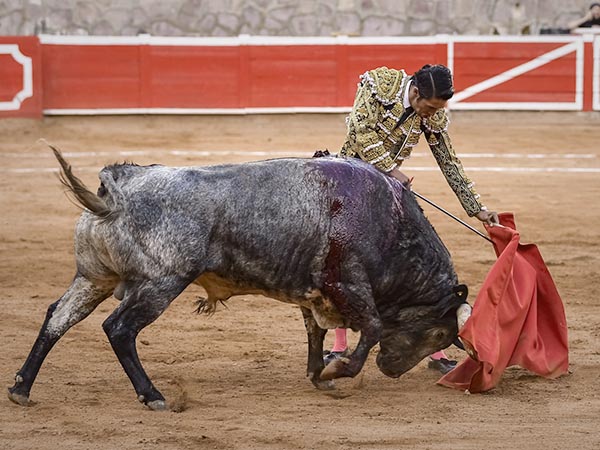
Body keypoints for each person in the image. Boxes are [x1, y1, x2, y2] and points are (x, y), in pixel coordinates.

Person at [325, 64, 499, 374]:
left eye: (437, 110)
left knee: (414, 266)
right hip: (348, 182)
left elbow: (448, 160)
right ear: (416, 93)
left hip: (388, 192)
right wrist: (392, 170)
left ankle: (435, 349)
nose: (431, 115)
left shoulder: (433, 113)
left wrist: (478, 209)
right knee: (343, 264)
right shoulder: (380, 85)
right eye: (429, 107)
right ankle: (338, 347)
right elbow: (360, 131)